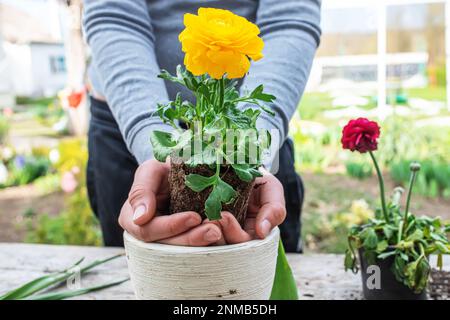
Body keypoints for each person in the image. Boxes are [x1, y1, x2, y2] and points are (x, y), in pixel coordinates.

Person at [82, 0, 321, 251]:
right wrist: (154, 144)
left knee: (261, 281)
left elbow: (290, 17)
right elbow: (114, 15)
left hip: (247, 133)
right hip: (127, 118)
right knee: (136, 278)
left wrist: (249, 150)